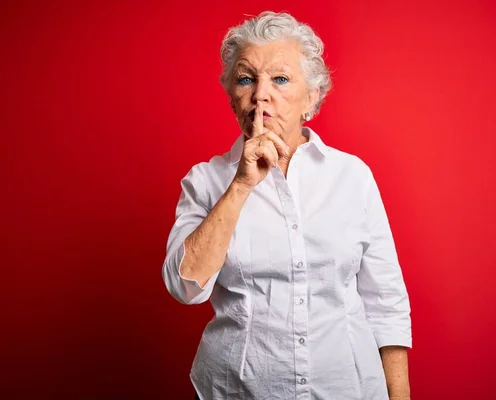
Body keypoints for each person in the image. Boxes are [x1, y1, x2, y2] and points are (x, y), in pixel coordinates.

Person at [161, 11, 412, 400]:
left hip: (348, 389)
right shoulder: (206, 181)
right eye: (246, 78)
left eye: (280, 79)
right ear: (232, 95)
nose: (261, 93)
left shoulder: (353, 176)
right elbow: (185, 287)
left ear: (311, 97)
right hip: (237, 391)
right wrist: (241, 185)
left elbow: (387, 302)